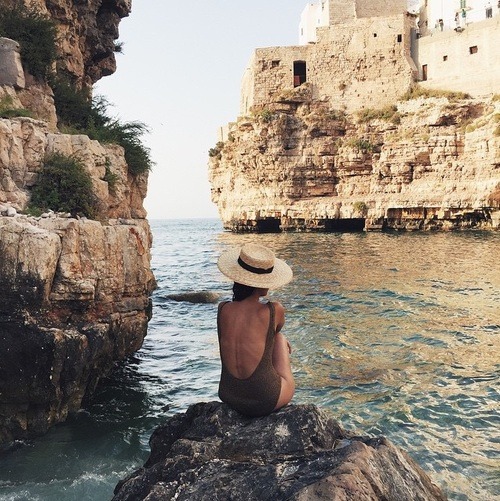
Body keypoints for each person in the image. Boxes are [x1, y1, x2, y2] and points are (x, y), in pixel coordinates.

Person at [216, 243, 294, 417]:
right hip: (265, 400)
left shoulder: (223, 309)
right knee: (279, 338)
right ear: (258, 282)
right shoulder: (273, 310)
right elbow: (275, 332)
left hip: (228, 395)